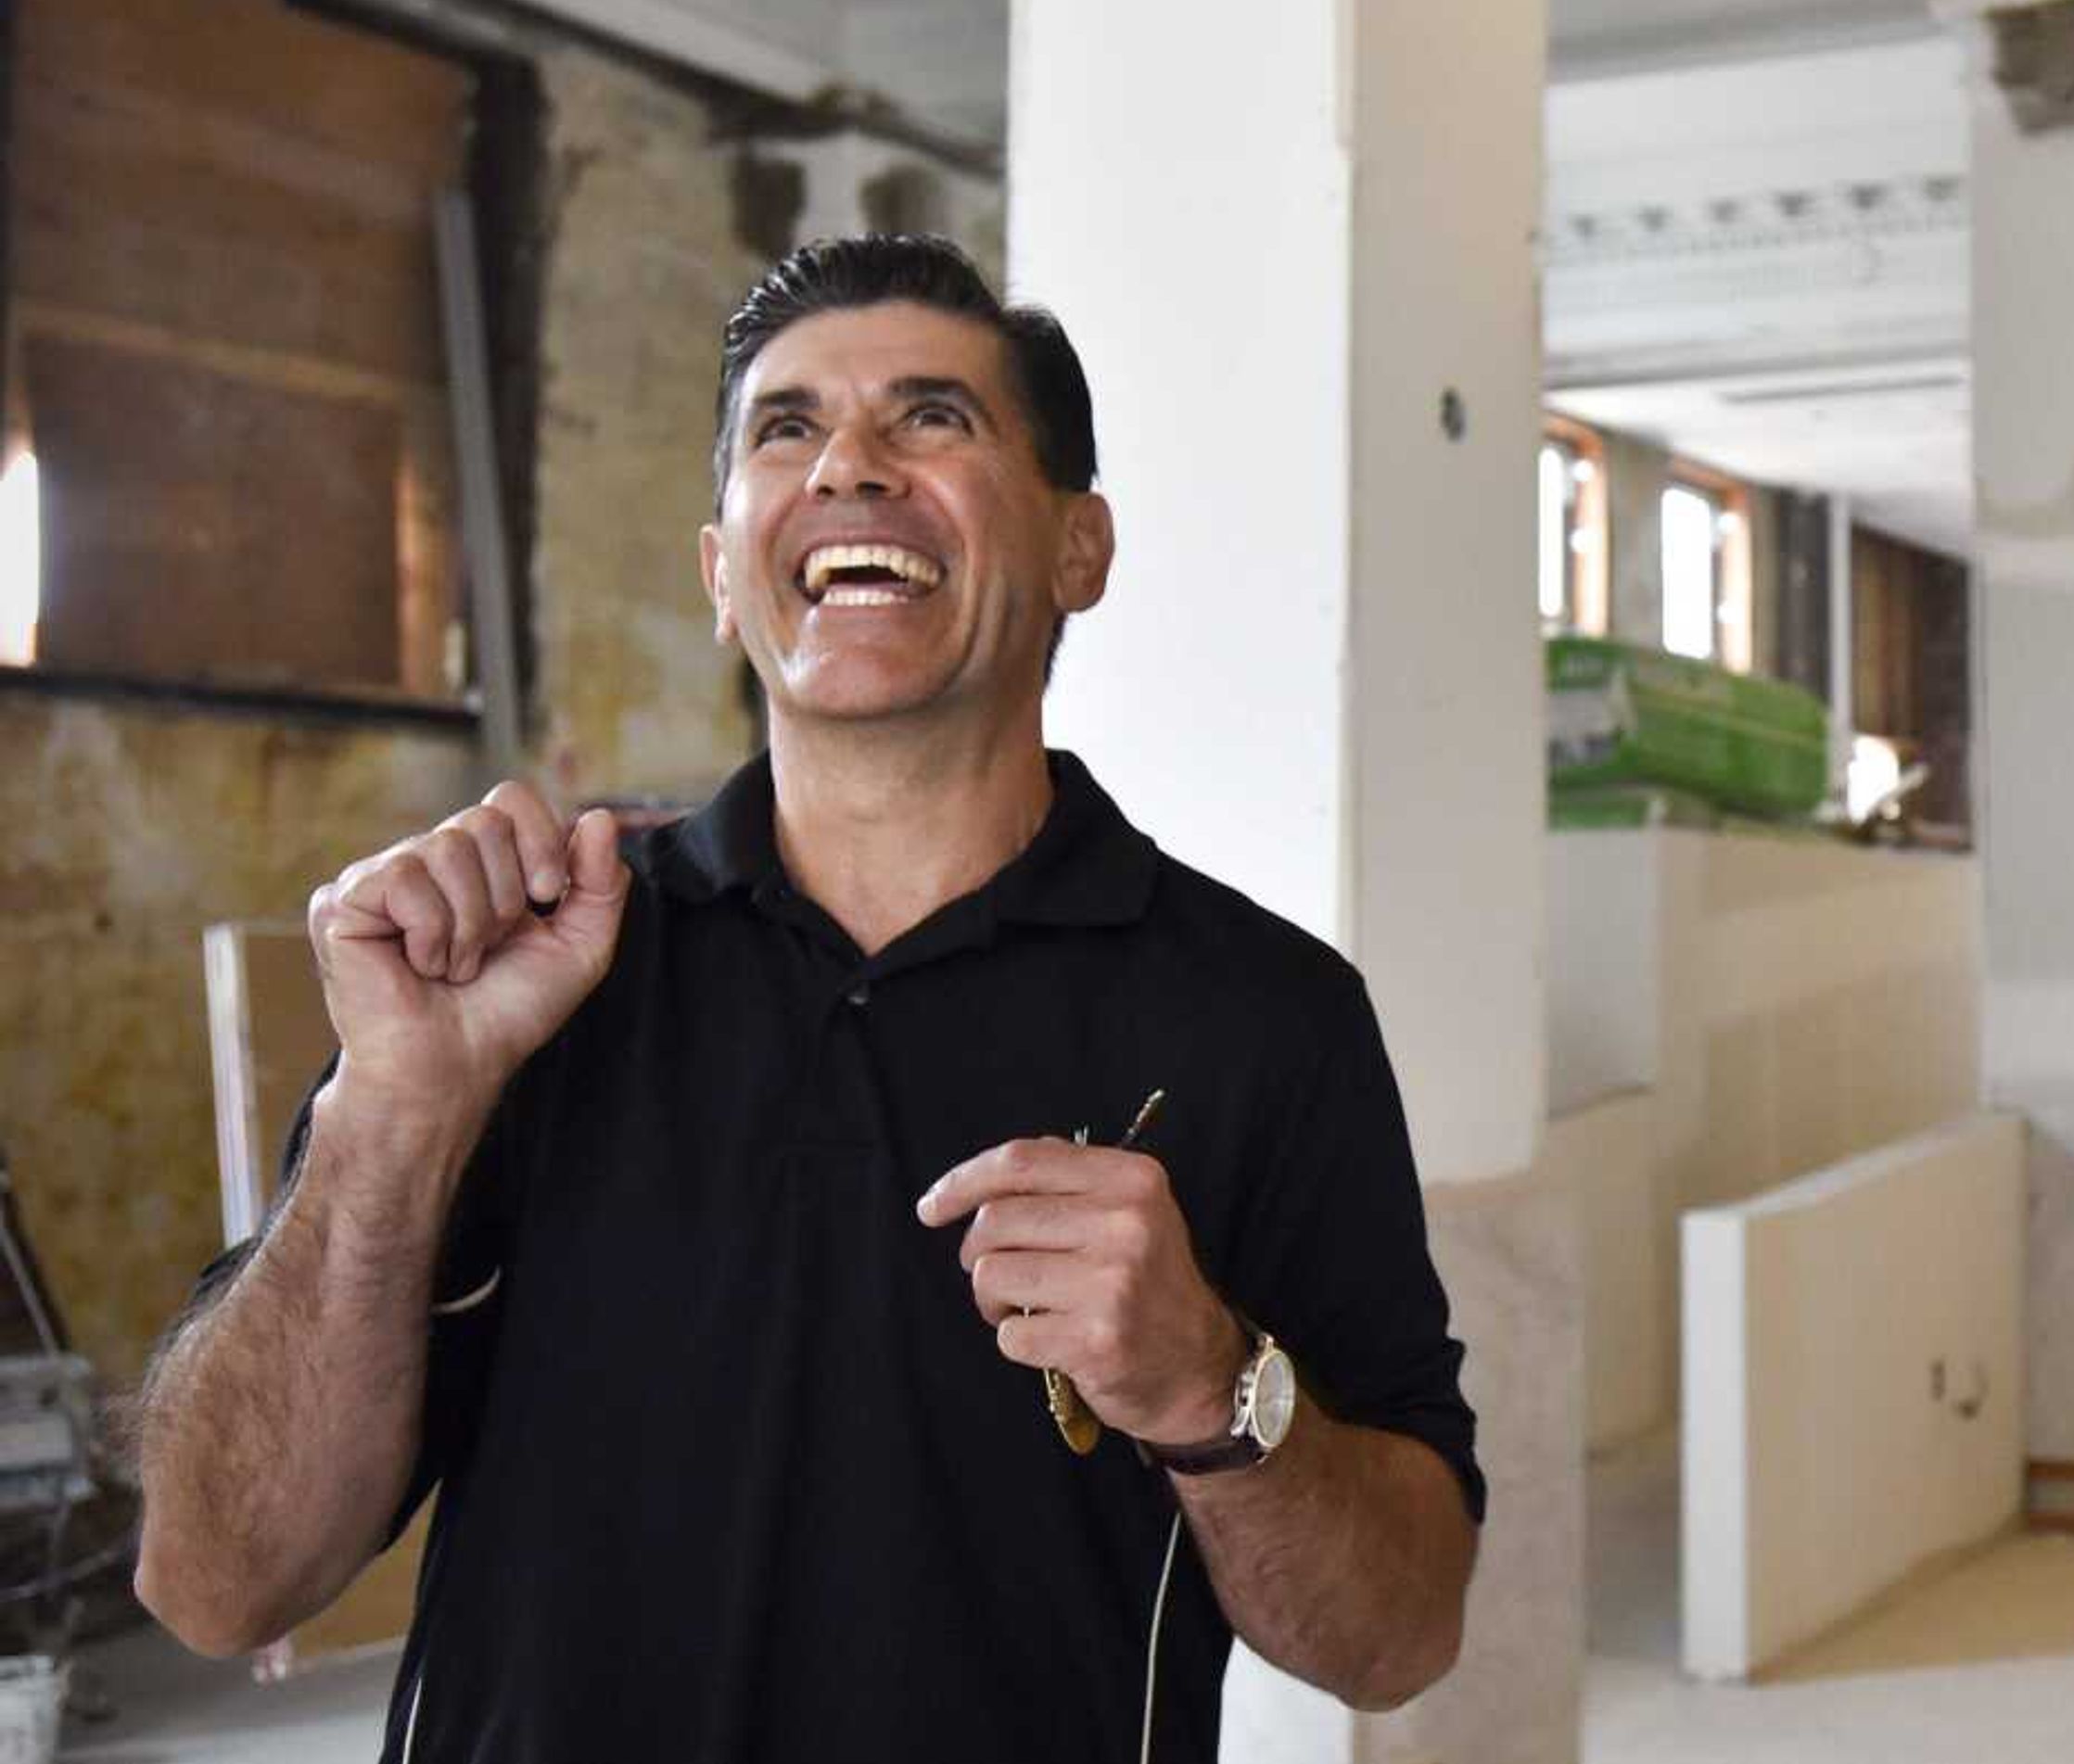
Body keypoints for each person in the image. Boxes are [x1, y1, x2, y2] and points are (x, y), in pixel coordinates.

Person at [128, 236, 1481, 1761]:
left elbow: (1399, 1634)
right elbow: (211, 1582)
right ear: (723, 569)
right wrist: (395, 1117)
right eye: (789, 428)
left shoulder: (1263, 1016)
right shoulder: (516, 979)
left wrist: (1210, 1386)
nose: (849, 466)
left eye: (933, 419)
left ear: (1076, 550)